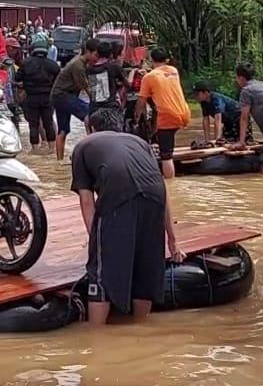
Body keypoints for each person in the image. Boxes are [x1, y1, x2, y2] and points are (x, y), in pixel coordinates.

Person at [71, 109, 183, 326]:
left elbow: (87, 201)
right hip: (156, 196)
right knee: (146, 267)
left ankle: (96, 337)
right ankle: (141, 328)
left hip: (119, 193)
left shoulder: (84, 146)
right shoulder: (139, 142)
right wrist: (172, 239)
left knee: (101, 272)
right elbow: (163, 191)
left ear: (91, 129)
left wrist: (97, 243)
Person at [134, 48, 191, 179]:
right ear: (167, 60)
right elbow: (161, 77)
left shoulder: (148, 78)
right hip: (183, 113)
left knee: (166, 155)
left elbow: (141, 102)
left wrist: (137, 117)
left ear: (151, 60)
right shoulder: (173, 71)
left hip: (167, 116)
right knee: (166, 142)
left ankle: (170, 185)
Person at [50, 39, 100, 161]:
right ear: (88, 52)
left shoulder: (80, 63)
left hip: (58, 96)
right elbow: (86, 88)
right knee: (89, 114)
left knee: (63, 130)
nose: (97, 58)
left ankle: (59, 162)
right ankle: (92, 146)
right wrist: (97, 102)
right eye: (96, 55)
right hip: (63, 95)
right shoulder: (78, 65)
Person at [16, 36, 59, 151]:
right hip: (47, 99)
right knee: (48, 123)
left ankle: (34, 149)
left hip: (31, 98)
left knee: (33, 124)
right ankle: (52, 149)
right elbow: (58, 83)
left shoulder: (25, 63)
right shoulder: (53, 65)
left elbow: (17, 78)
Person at [85, 41, 126, 114]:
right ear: (111, 54)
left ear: (97, 53)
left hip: (94, 109)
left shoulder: (89, 70)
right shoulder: (114, 68)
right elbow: (127, 84)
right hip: (110, 109)